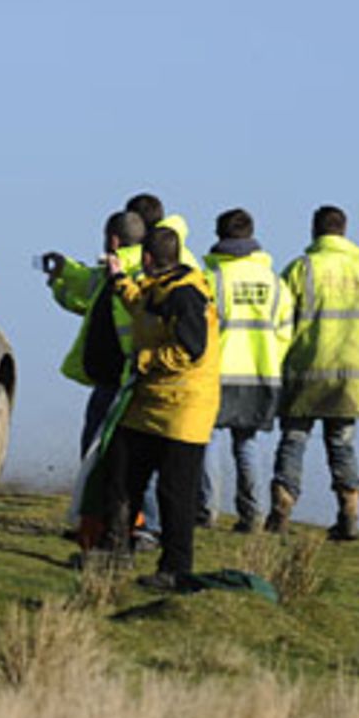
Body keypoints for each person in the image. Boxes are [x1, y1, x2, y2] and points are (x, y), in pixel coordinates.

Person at [97, 225, 220, 591]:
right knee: (120, 474)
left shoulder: (187, 295)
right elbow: (144, 306)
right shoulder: (162, 287)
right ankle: (114, 550)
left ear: (148, 259)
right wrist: (119, 280)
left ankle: (176, 569)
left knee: (175, 493)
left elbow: (190, 350)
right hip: (150, 403)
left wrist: (144, 360)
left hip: (184, 411)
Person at [267, 204, 359, 538]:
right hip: (350, 379)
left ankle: (281, 508)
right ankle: (349, 514)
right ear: (344, 231)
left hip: (305, 374)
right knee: (342, 445)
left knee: (294, 441)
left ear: (315, 231)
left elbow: (278, 319)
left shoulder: (300, 269)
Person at [198, 208, 291, 532]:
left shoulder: (211, 279)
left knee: (205, 440)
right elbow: (285, 332)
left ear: (219, 237)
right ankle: (254, 516)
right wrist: (269, 361)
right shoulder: (275, 282)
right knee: (247, 444)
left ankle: (206, 511)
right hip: (261, 374)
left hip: (216, 372)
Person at [43, 211, 146, 454]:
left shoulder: (118, 273)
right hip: (134, 375)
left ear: (113, 240)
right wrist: (61, 275)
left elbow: (89, 303)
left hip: (118, 375)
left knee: (95, 445)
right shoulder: (138, 268)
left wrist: (58, 282)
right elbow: (87, 297)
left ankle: (95, 490)